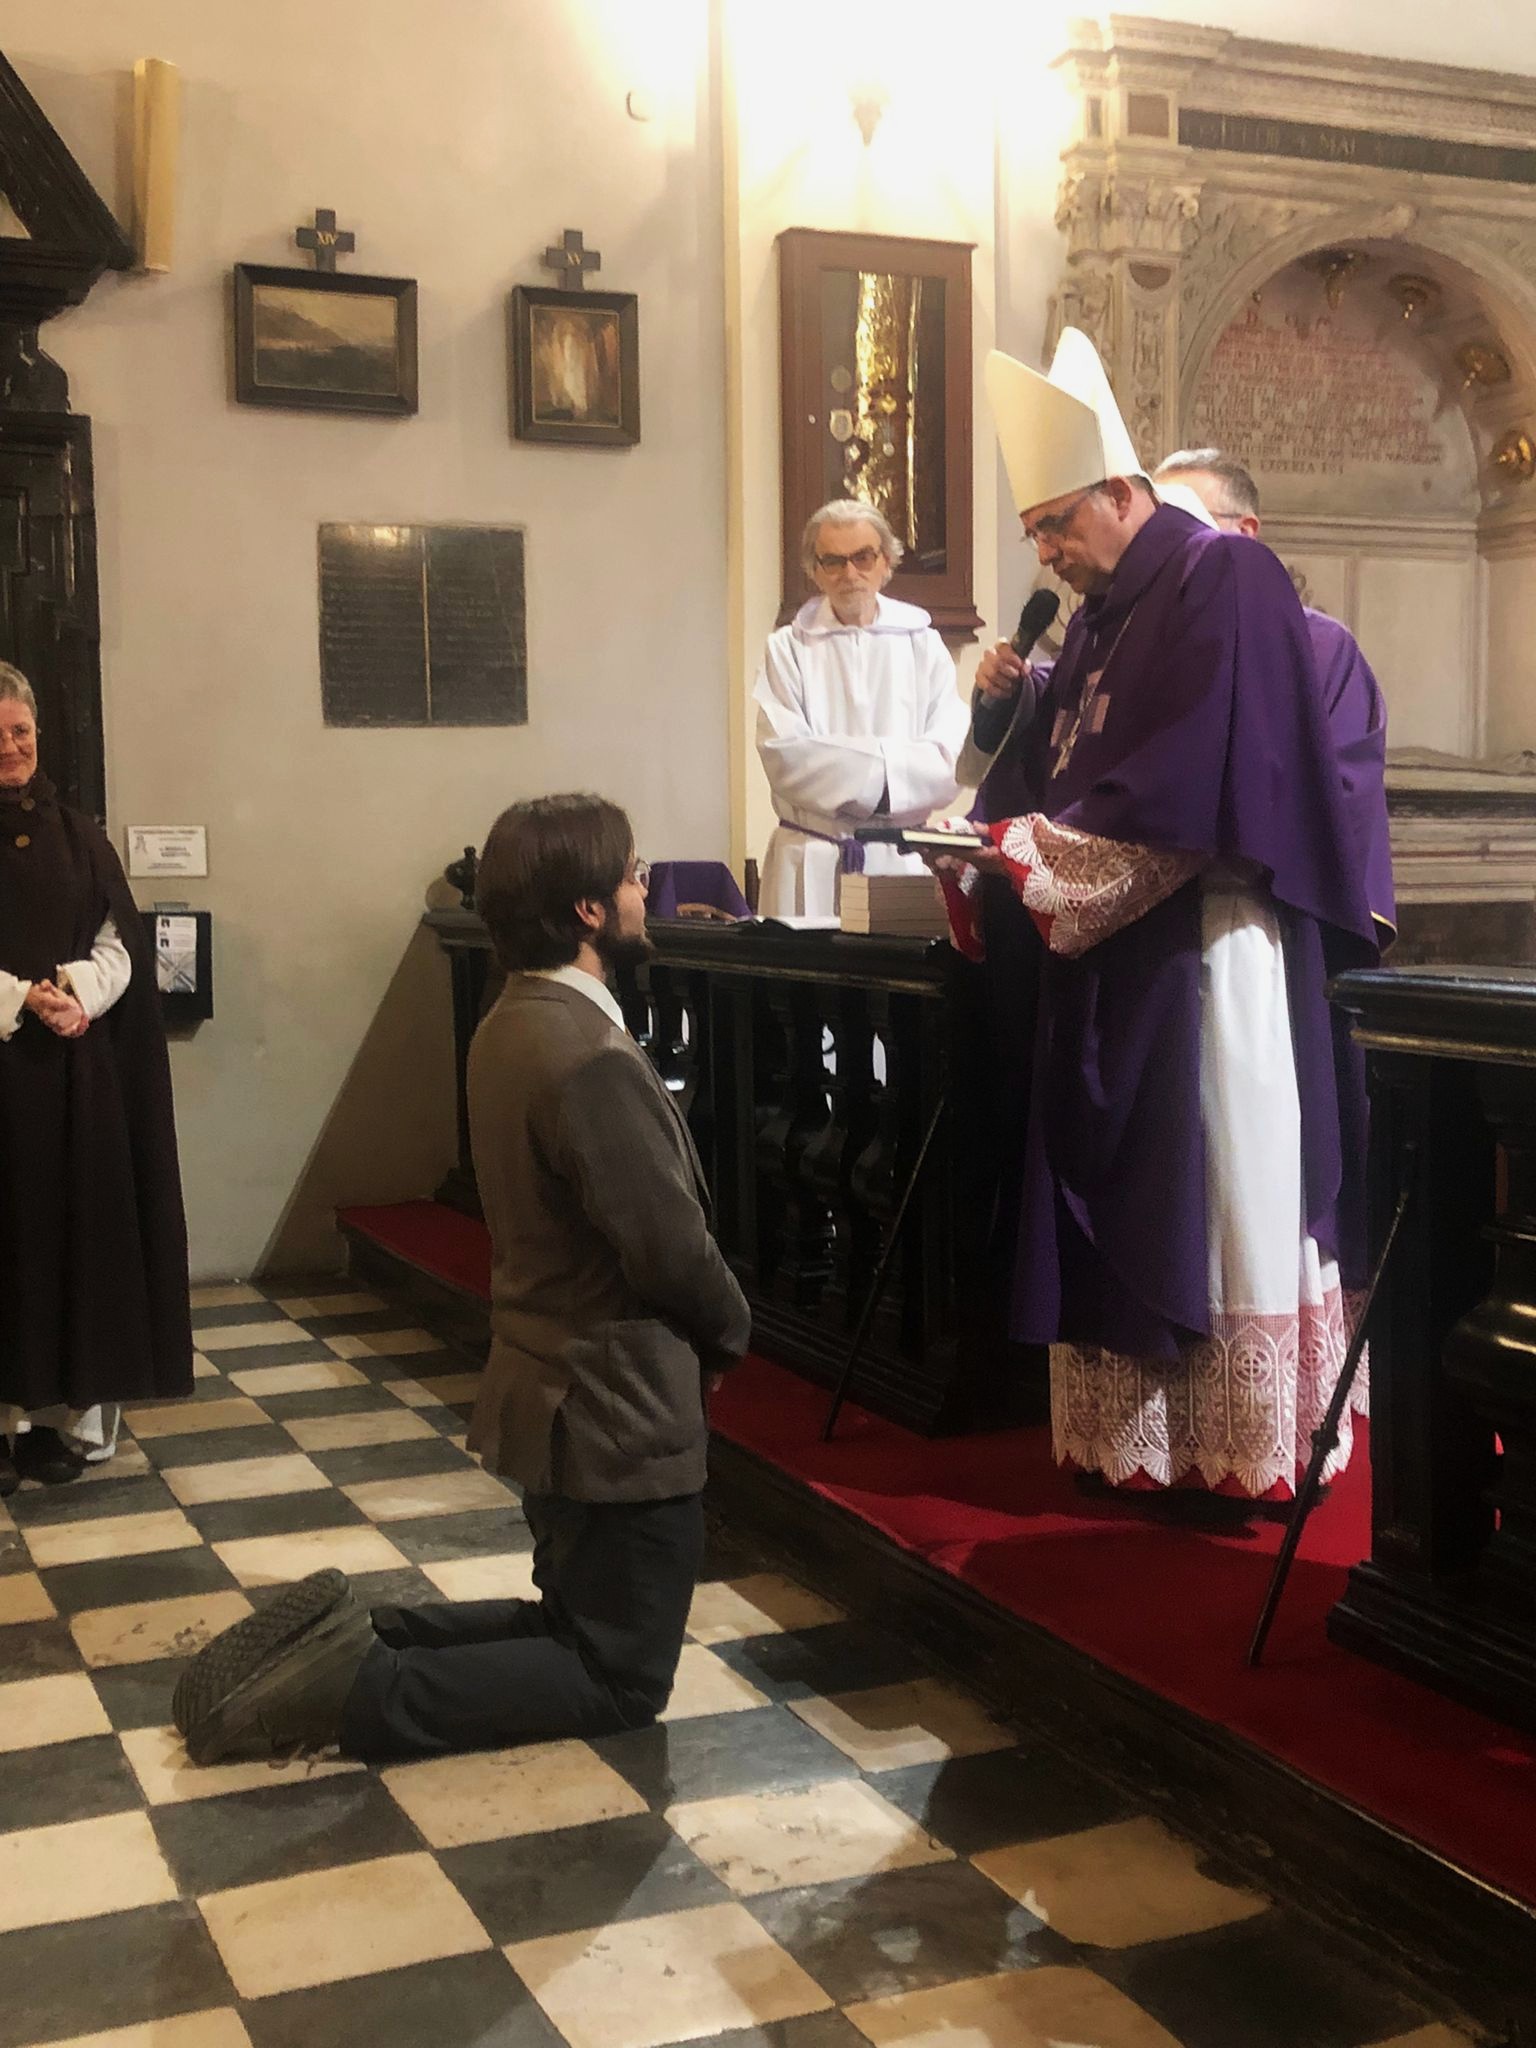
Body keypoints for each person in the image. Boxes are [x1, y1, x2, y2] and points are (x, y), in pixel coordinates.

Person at [174, 793, 751, 1765]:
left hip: (551, 1394)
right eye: (631, 872)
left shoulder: (510, 1021)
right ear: (587, 909)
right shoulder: (588, 1055)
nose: (644, 887)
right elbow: (670, 1251)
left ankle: (372, 1634)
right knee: (619, 1676)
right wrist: (731, 1332)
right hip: (614, 1410)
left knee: (575, 1625)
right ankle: (350, 1688)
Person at [930, 331, 1381, 1511]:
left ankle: (1230, 1449)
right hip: (1113, 945)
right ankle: (1145, 1443)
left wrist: (1032, 849)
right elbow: (1058, 768)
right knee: (1127, 1176)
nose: (1045, 551)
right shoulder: (1095, 617)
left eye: (1056, 523)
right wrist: (992, 833)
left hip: (1207, 948)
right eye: (1034, 531)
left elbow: (1190, 777)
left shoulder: (1221, 576)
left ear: (1123, 493)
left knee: (1215, 1179)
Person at [0, 664, 192, 1494]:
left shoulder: (81, 837)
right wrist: (17, 997)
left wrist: (76, 992)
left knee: (67, 1245)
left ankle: (51, 1424)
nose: (10, 746)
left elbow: (120, 944)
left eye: (20, 731)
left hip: (72, 1081)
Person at [1152, 447, 1395, 942]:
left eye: (1183, 527)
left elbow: (1343, 791)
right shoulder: (1150, 640)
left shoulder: (1320, 647)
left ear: (1244, 532)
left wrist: (1231, 836)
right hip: (1148, 911)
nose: (1163, 547)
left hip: (1264, 913)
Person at [754, 498, 968, 916]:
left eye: (863, 557)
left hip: (902, 859)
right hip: (812, 855)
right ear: (814, 570)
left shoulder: (922, 643)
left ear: (886, 561)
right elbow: (786, 758)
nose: (849, 573)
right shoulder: (788, 647)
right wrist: (897, 772)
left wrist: (844, 763)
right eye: (833, 561)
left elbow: (951, 759)